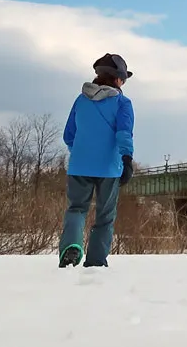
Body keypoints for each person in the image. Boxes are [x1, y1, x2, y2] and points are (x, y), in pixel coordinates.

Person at [58, 53, 135, 268]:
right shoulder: (122, 102)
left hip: (79, 166)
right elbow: (123, 134)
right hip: (109, 168)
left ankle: (71, 247)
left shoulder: (80, 100)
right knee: (105, 216)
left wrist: (81, 152)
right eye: (124, 79)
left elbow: (68, 135)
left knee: (76, 209)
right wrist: (127, 159)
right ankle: (96, 261)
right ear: (117, 79)